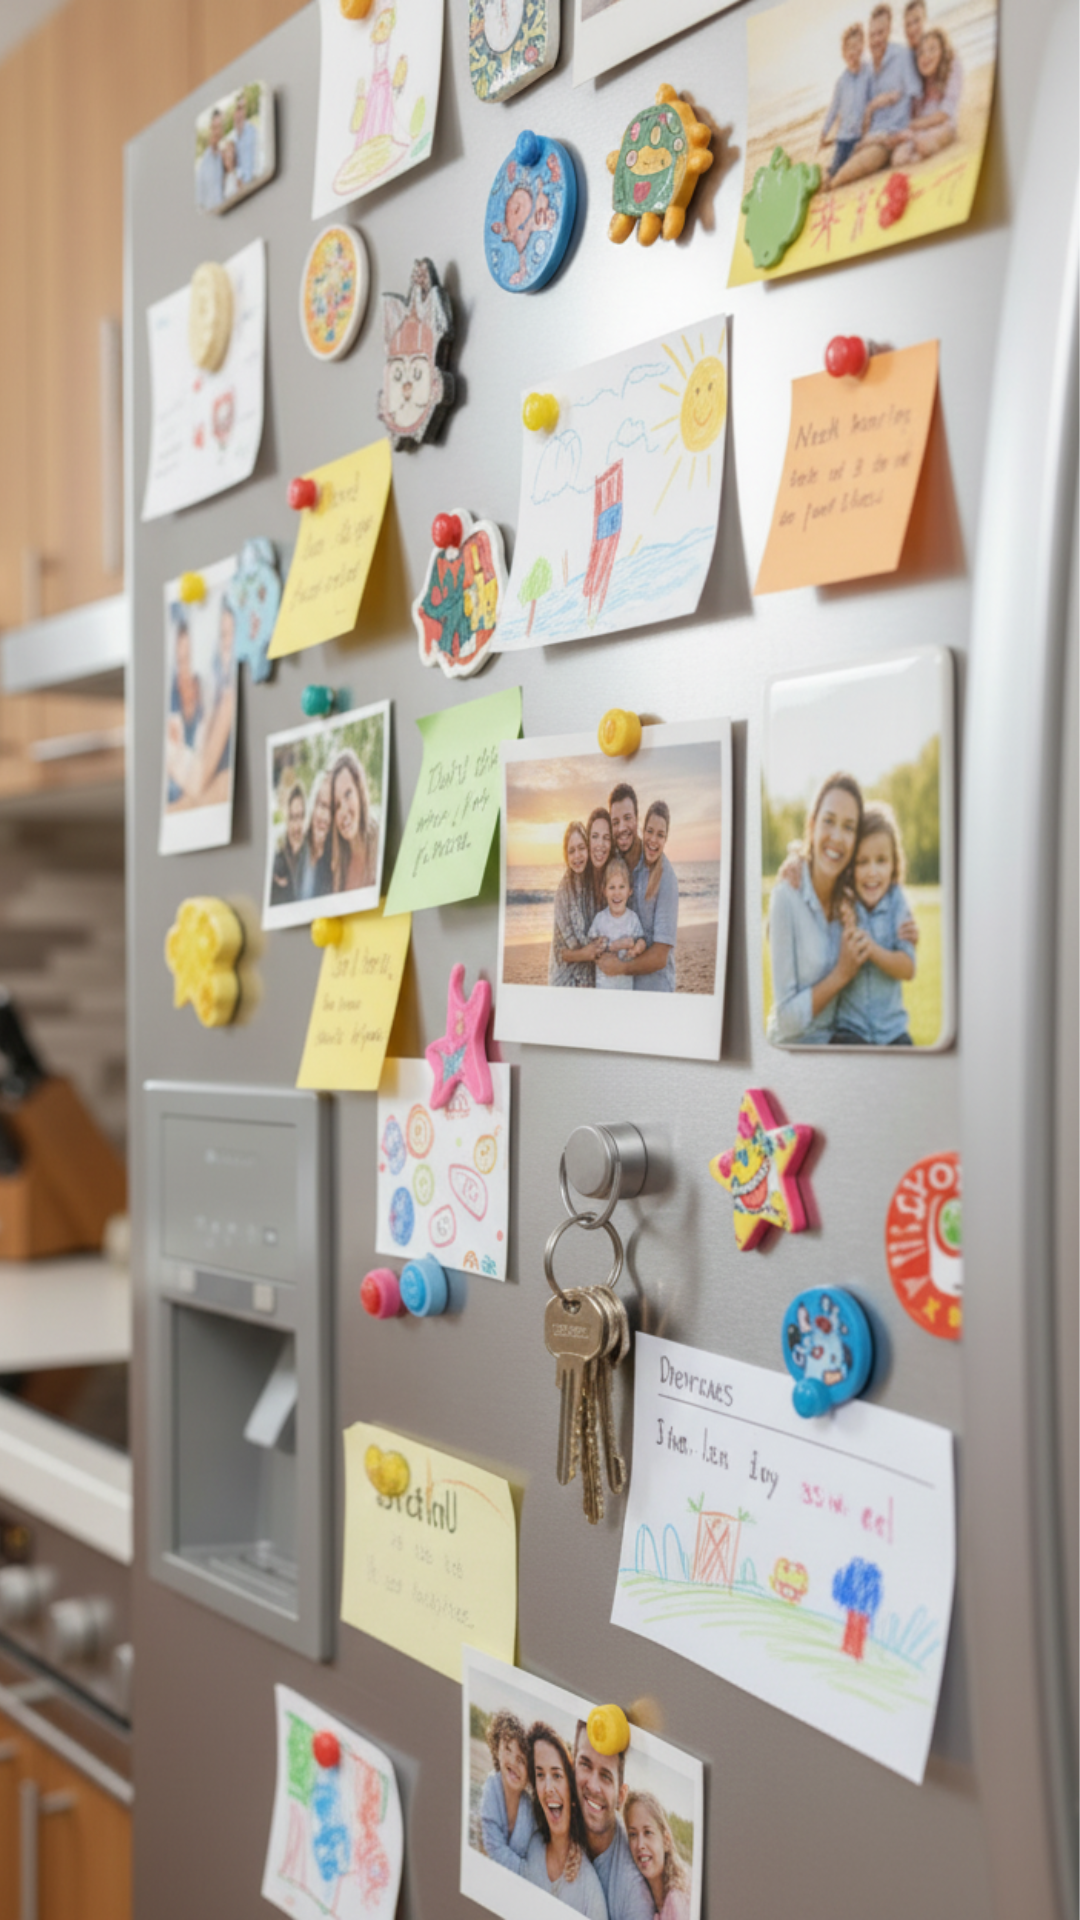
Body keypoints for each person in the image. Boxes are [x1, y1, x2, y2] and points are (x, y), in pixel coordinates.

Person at [766, 772, 869, 1044]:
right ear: (811, 826)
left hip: (839, 1043)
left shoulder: (850, 901)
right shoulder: (786, 897)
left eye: (849, 827)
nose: (837, 836)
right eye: (829, 821)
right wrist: (841, 975)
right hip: (796, 1051)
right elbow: (786, 1021)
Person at [832, 802, 917, 1044]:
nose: (872, 872)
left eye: (881, 860)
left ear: (894, 865)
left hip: (892, 1031)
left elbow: (908, 968)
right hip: (850, 1029)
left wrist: (872, 950)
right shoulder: (843, 899)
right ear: (850, 866)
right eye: (862, 862)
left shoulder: (897, 902)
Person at [521, 1723, 608, 1916]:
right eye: (540, 1775)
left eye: (557, 1775)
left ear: (572, 1789)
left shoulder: (589, 1888)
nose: (548, 1787)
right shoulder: (531, 1847)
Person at [596, 788, 677, 990]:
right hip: (623, 991)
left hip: (654, 990)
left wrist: (620, 967)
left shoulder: (666, 876)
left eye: (627, 818)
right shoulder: (615, 867)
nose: (622, 827)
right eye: (615, 822)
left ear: (637, 820)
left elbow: (660, 957)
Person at [830, 4, 919, 186]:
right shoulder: (868, 71)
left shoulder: (902, 56)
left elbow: (916, 96)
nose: (876, 39)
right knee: (837, 166)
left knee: (840, 179)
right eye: (872, 35)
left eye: (880, 33)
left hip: (889, 137)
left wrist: (908, 132)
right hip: (871, 138)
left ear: (889, 31)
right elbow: (861, 112)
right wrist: (869, 109)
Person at [573, 1722, 653, 1920]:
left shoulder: (634, 1893)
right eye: (585, 1764)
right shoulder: (549, 1820)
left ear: (621, 1796)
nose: (593, 1786)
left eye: (606, 1776)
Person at [891, 26, 962, 164]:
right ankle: (917, 151)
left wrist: (911, 127)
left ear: (942, 52)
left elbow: (944, 114)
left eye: (932, 49)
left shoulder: (950, 70)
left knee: (924, 145)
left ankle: (920, 150)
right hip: (920, 130)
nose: (926, 56)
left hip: (943, 125)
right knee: (898, 159)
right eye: (921, 53)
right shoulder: (919, 81)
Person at [479, 1709, 535, 1872]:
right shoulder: (492, 1787)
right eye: (508, 1749)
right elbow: (494, 1848)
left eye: (522, 1760)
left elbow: (536, 1851)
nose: (513, 1762)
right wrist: (528, 1872)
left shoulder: (529, 1808)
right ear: (497, 1749)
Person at [623, 1792, 690, 1920]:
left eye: (648, 1832)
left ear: (666, 1841)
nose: (640, 1845)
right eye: (633, 1834)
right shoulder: (640, 1893)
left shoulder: (676, 1902)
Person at [549, 822, 601, 987]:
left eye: (581, 848)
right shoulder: (562, 893)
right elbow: (559, 952)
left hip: (594, 974)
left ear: (588, 849)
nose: (577, 856)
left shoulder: (596, 884)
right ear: (566, 855)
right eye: (572, 851)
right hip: (566, 977)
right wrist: (585, 954)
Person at [587, 857, 647, 991]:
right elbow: (592, 946)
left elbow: (641, 941)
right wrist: (614, 946)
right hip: (603, 988)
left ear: (629, 891)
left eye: (622, 887)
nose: (617, 893)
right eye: (612, 887)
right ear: (605, 891)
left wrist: (636, 949)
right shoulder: (600, 918)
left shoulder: (632, 918)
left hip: (625, 988)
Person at [819, 24, 870, 181]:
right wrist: (824, 133)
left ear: (862, 47)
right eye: (848, 47)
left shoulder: (869, 73)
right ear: (843, 52)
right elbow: (833, 110)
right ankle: (829, 171)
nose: (852, 51)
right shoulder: (841, 82)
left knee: (860, 167)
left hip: (863, 135)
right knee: (835, 171)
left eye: (855, 46)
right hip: (844, 139)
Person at [165, 614, 204, 807]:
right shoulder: (169, 706)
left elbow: (200, 781)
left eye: (189, 660)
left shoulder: (208, 704)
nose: (184, 671)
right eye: (180, 662)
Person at [329, 748, 378, 894]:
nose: (344, 812)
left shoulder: (381, 842)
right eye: (337, 805)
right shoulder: (337, 864)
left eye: (348, 794)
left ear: (360, 791)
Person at [297, 773, 334, 902]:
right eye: (322, 806)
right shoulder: (299, 846)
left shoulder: (334, 860)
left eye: (332, 810)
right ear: (313, 806)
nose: (326, 817)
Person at [272, 782, 307, 906]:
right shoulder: (278, 863)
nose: (297, 826)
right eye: (293, 818)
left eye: (301, 817)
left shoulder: (314, 859)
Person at [196, 107, 224, 210]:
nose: (217, 132)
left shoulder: (224, 156)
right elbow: (199, 202)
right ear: (210, 129)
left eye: (220, 127)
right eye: (215, 127)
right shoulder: (202, 165)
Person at [232, 90, 258, 185]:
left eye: (242, 109)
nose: (240, 114)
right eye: (238, 109)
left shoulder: (253, 131)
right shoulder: (232, 139)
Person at [221, 136, 240, 201]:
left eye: (230, 150)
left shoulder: (237, 175)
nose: (227, 154)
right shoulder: (223, 178)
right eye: (225, 151)